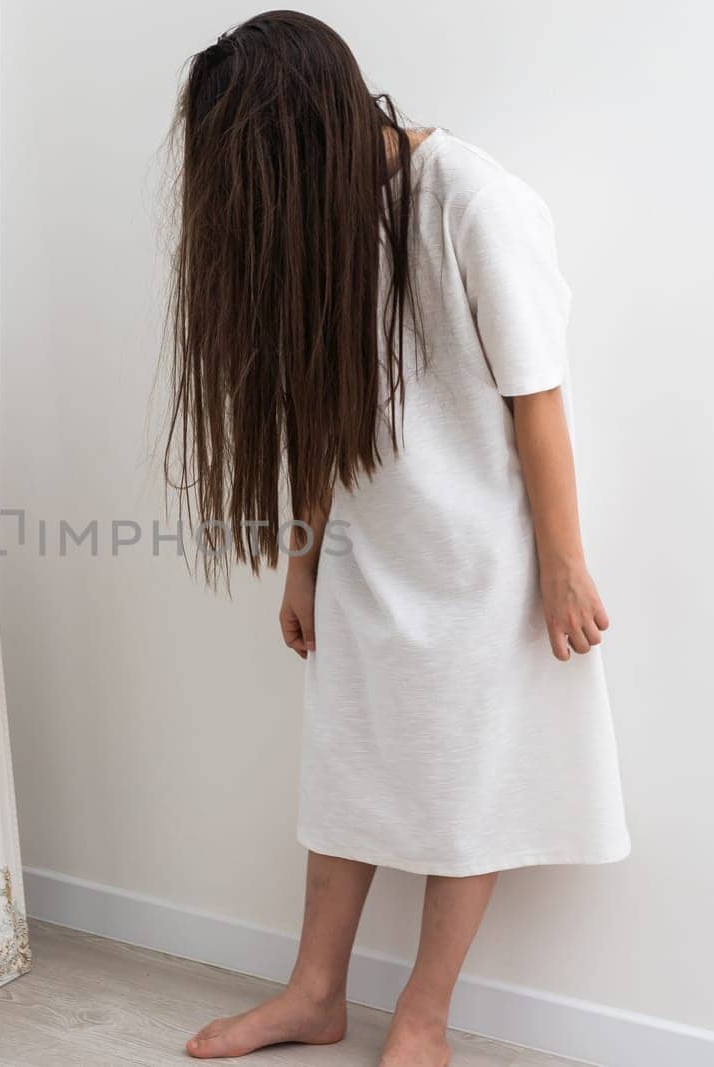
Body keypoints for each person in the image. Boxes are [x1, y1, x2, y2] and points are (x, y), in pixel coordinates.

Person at [163, 13, 630, 1066]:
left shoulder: (471, 198)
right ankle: (313, 993)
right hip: (370, 555)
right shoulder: (327, 214)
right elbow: (322, 414)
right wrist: (302, 557)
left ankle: (422, 1012)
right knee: (349, 774)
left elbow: (535, 396)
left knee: (468, 785)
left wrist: (561, 561)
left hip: (481, 565)